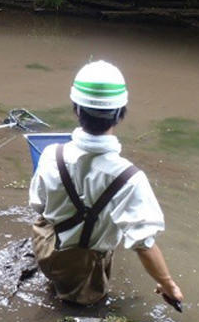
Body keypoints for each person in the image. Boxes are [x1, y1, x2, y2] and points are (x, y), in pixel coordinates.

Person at [29, 60, 184, 306]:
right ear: (120, 114)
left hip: (47, 248)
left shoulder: (51, 155)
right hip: (83, 264)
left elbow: (38, 205)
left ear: (76, 109)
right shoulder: (130, 179)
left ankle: (56, 284)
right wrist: (167, 284)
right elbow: (143, 244)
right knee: (85, 308)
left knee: (58, 286)